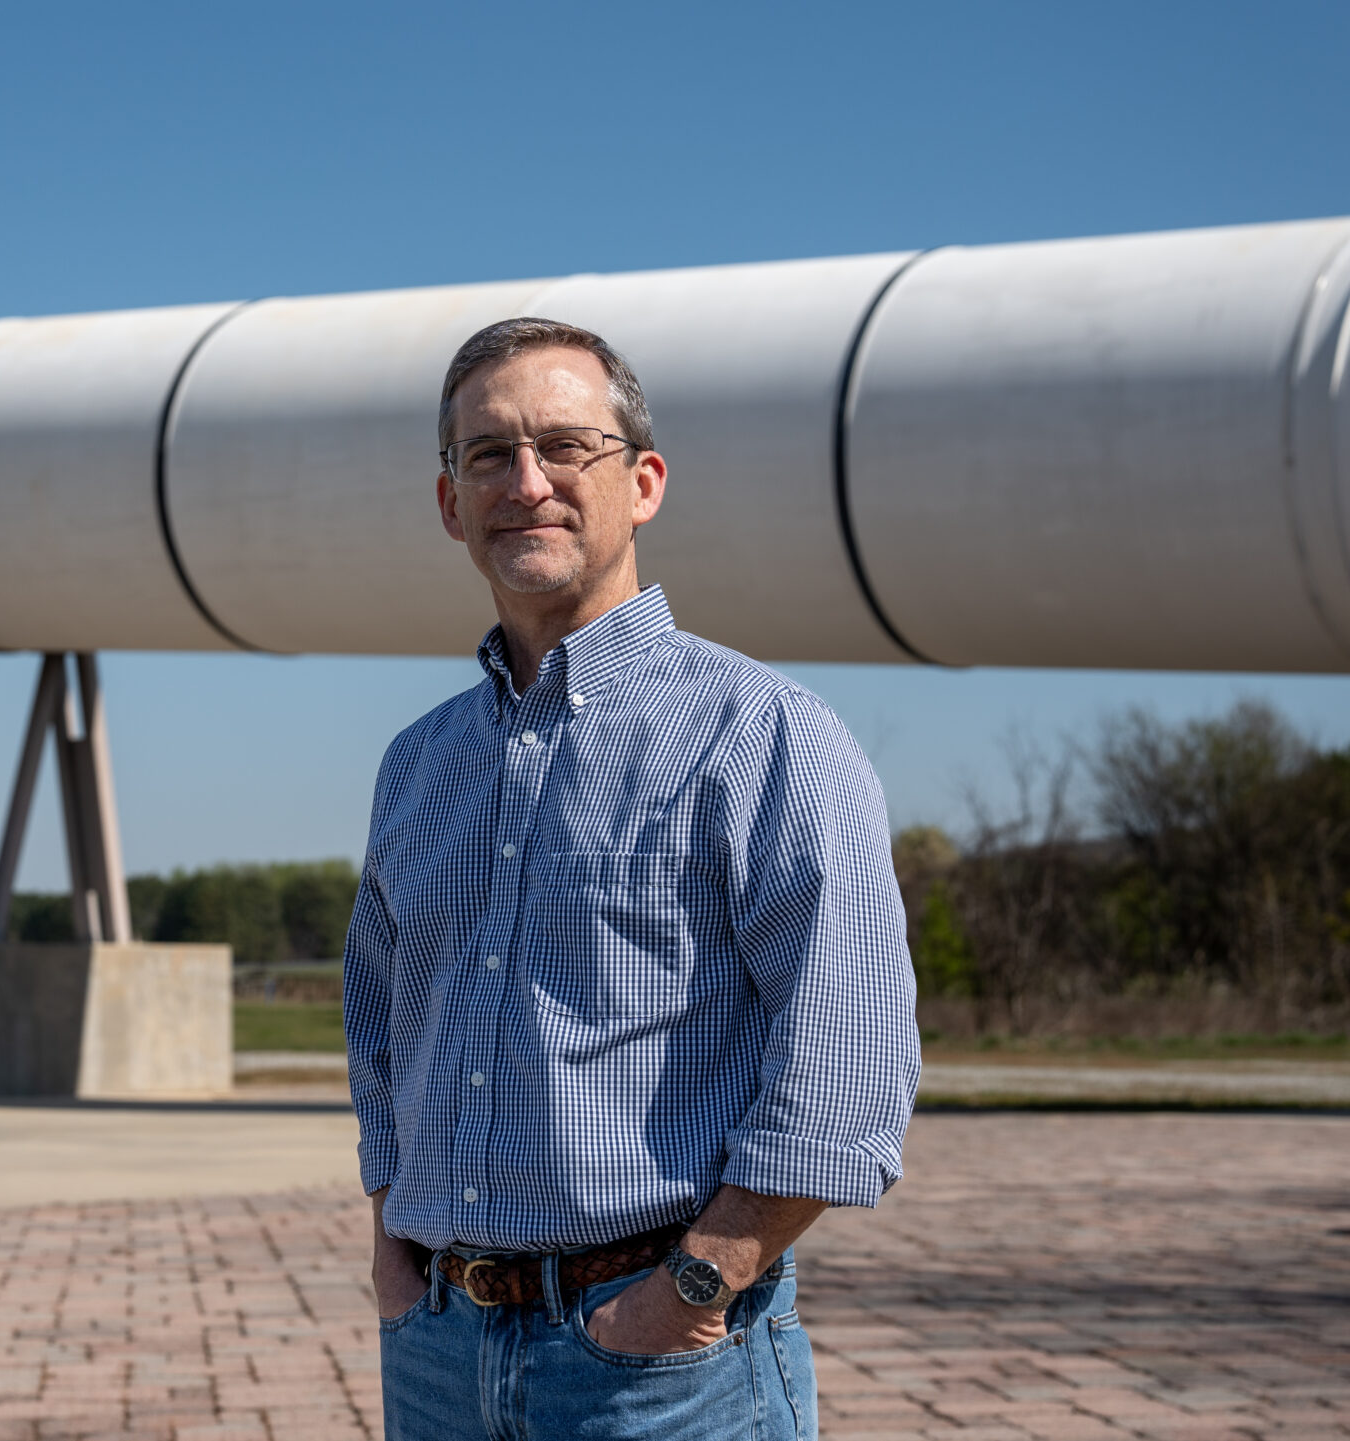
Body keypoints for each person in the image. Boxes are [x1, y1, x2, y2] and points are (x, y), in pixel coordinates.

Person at [342, 317, 920, 1439]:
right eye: (486, 455)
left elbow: (847, 1055)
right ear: (450, 503)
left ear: (642, 483)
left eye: (566, 447)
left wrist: (693, 1289)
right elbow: (377, 1024)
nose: (527, 483)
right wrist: (391, 1252)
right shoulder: (418, 764)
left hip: (661, 1368)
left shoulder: (763, 737)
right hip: (438, 1352)